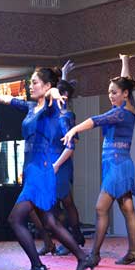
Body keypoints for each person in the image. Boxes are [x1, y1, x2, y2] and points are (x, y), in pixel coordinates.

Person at [0, 67, 95, 270]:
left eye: (35, 82)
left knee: (15, 219)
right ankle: (82, 257)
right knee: (50, 222)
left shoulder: (52, 107)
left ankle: (37, 266)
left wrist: (54, 92)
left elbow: (53, 93)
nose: (31, 86)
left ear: (46, 86)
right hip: (31, 169)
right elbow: (13, 101)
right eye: (31, 82)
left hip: (41, 172)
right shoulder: (31, 107)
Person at [61, 55, 135, 266]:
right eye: (109, 92)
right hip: (120, 164)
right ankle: (133, 252)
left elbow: (96, 120)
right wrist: (125, 62)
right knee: (128, 208)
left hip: (116, 165)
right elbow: (126, 82)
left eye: (114, 92)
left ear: (125, 94)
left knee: (100, 208)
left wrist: (74, 129)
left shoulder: (121, 113)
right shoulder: (127, 107)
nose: (110, 95)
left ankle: (94, 254)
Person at [52, 61, 87, 256]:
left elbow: (71, 146)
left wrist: (56, 165)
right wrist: (64, 74)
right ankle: (76, 235)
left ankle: (70, 239)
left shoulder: (65, 116)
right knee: (64, 203)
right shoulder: (62, 110)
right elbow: (64, 93)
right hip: (59, 163)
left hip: (61, 163)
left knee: (61, 204)